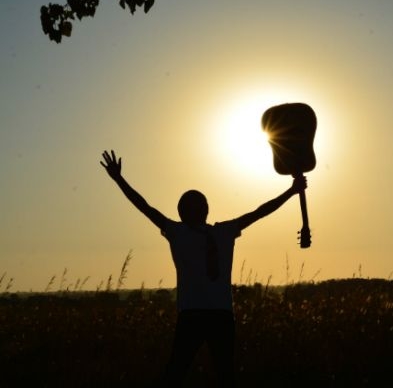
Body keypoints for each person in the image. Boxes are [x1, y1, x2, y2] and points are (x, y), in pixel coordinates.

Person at [100, 150, 307, 387]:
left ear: (184, 212)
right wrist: (291, 191)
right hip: (214, 315)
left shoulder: (190, 232)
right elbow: (260, 212)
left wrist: (118, 180)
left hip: (200, 315)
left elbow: (145, 207)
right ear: (204, 209)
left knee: (185, 373)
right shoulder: (215, 232)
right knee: (213, 374)